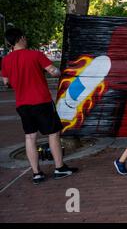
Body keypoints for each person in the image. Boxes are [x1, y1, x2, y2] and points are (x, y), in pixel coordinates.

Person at [1, 27, 78, 184]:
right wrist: (61, 71)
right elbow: (53, 72)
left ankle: (37, 173)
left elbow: (6, 82)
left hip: (22, 104)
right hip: (41, 101)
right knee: (53, 133)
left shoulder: (6, 60)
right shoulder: (35, 55)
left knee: (30, 137)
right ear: (21, 38)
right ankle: (59, 168)